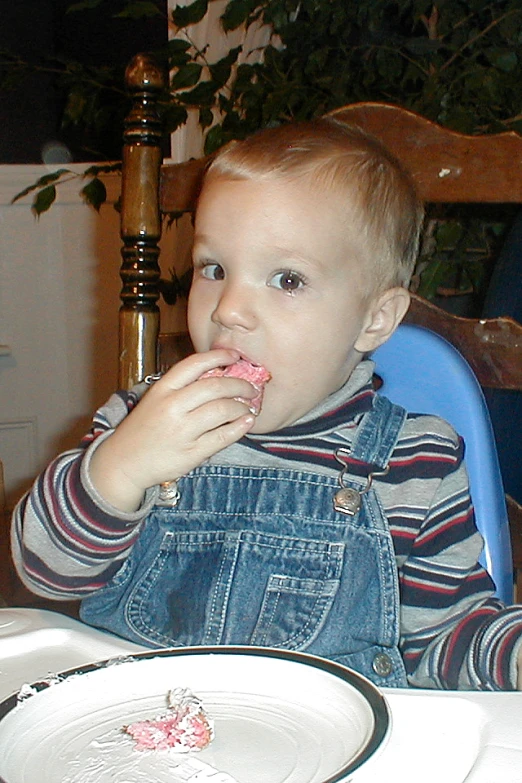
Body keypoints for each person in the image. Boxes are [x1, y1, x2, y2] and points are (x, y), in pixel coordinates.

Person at [11, 118, 522, 691]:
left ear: (374, 319)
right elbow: (46, 573)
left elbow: (448, 635)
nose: (229, 308)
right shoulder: (140, 420)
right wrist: (120, 468)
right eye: (213, 269)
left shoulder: (416, 460)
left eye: (286, 279)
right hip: (138, 730)